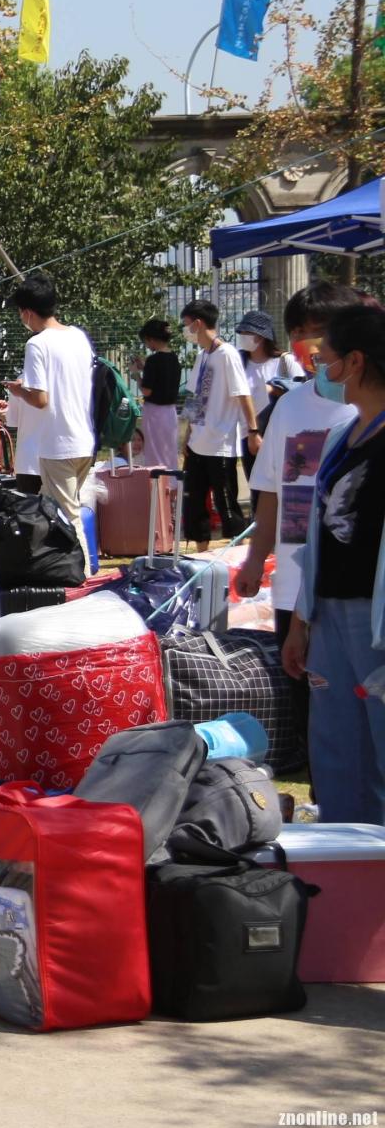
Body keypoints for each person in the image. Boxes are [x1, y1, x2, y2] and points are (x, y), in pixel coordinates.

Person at [238, 283, 363, 799]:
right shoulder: (290, 407)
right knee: (312, 705)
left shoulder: (366, 409)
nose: (309, 346)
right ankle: (326, 803)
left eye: (319, 333)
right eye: (298, 334)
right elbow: (271, 490)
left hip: (353, 590)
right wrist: (255, 559)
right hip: (295, 586)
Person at [285, 299, 385, 826]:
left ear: (356, 361)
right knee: (337, 749)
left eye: (326, 357)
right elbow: (317, 533)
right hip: (329, 614)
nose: (320, 368)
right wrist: (301, 621)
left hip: (376, 620)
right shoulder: (345, 434)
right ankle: (345, 854)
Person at [3, 274, 96, 571]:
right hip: (85, 441)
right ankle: (55, 568)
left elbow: (41, 399)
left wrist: (19, 391)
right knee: (47, 508)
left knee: (68, 516)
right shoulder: (78, 336)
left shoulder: (37, 344)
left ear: (28, 312)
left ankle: (83, 573)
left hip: (58, 444)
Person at [180, 298, 257, 546]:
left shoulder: (227, 354)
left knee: (226, 503)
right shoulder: (202, 356)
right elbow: (194, 396)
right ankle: (201, 553)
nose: (185, 330)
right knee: (194, 503)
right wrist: (186, 434)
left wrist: (253, 430)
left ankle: (238, 552)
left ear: (198, 324)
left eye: (186, 324)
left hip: (220, 443)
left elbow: (243, 394)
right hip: (197, 442)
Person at [238, 309, 301, 506]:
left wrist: (274, 389)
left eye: (248, 333)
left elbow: (302, 389)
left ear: (261, 336)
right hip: (248, 435)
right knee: (257, 487)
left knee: (280, 486)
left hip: (278, 433)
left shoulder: (284, 361)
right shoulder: (239, 363)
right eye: (242, 333)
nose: (243, 337)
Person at [135, 318, 181, 469]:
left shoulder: (153, 360)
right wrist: (145, 368)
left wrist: (137, 375)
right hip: (171, 413)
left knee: (154, 452)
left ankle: (158, 481)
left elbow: (146, 391)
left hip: (154, 413)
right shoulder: (174, 358)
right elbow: (162, 377)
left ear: (151, 339)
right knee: (169, 452)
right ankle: (172, 481)